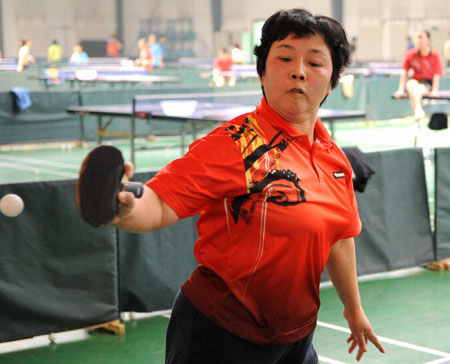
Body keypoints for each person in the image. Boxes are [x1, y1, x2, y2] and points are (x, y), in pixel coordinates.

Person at [112, 8, 385, 364]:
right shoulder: (236, 143)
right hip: (221, 333)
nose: (298, 71)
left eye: (315, 63)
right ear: (262, 71)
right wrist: (126, 206)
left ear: (332, 81)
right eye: (284, 57)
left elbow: (339, 237)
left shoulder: (334, 159)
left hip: (296, 334)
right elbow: (161, 202)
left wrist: (354, 309)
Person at [394, 28, 443, 120]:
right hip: (414, 81)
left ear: (428, 39)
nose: (418, 40)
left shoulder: (434, 54)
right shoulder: (410, 54)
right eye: (416, 37)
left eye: (421, 37)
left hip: (427, 83)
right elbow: (405, 73)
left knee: (418, 90)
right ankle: (418, 110)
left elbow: (437, 74)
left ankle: (417, 111)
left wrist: (435, 90)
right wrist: (400, 89)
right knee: (410, 84)